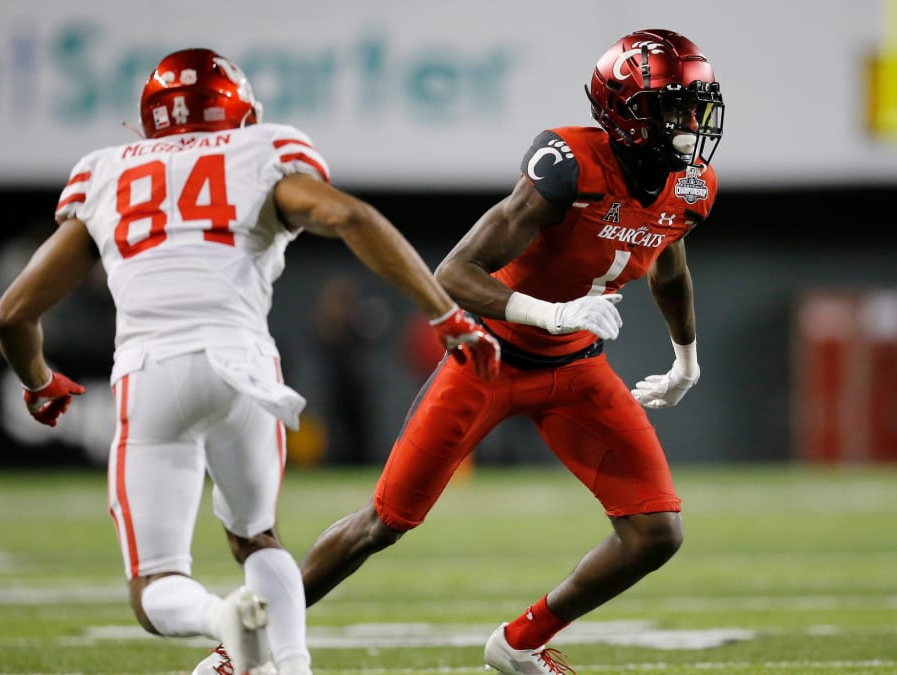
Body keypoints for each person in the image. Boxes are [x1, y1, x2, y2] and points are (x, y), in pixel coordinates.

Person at [0, 47, 499, 675]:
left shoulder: (106, 171)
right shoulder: (261, 151)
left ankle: (219, 619)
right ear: (240, 110)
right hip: (246, 369)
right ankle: (291, 665)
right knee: (256, 537)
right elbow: (351, 216)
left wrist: (40, 384)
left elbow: (14, 314)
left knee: (156, 586)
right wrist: (445, 315)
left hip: (150, 370)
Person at [282, 28, 722, 674]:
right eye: (674, 107)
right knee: (381, 523)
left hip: (576, 369)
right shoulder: (569, 165)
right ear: (628, 114)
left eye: (696, 105)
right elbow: (454, 272)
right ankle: (244, 643)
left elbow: (670, 270)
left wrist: (686, 355)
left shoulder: (690, 186)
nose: (691, 123)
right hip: (490, 359)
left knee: (657, 531)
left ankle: (520, 642)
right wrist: (553, 313)